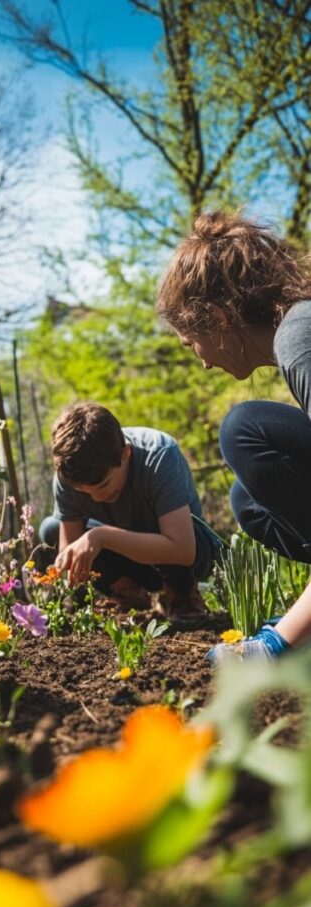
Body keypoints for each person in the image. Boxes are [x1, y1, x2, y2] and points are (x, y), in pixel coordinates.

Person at [156, 209, 311, 660]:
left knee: (243, 430)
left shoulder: (300, 338)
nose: (201, 360)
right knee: (250, 502)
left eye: (192, 342)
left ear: (219, 318)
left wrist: (277, 641)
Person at [38, 401, 219, 616]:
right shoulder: (69, 473)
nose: (97, 497)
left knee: (178, 536)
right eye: (84, 492)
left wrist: (101, 536)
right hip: (133, 564)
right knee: (51, 529)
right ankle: (128, 593)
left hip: (186, 557)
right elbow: (69, 552)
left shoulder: (159, 455)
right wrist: (66, 587)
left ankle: (181, 594)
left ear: (126, 453)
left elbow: (183, 550)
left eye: (103, 485)